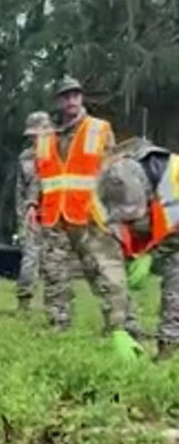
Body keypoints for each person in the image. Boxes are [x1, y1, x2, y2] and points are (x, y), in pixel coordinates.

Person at [34, 77, 143, 353]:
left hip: (90, 216)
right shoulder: (46, 136)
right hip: (54, 217)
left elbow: (116, 174)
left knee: (105, 274)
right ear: (58, 101)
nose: (71, 101)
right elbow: (41, 175)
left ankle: (125, 327)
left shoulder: (99, 129)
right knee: (55, 276)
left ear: (81, 98)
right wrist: (31, 206)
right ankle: (60, 327)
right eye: (65, 96)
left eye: (75, 95)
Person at [96, 138, 177, 361]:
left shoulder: (174, 181)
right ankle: (129, 334)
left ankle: (168, 346)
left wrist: (151, 254)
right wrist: (119, 328)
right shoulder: (106, 186)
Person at [15, 111, 54, 311]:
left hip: (56, 214)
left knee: (54, 261)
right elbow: (20, 191)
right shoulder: (26, 158)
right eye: (32, 135)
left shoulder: (60, 153)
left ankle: (54, 304)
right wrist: (22, 219)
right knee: (31, 258)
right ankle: (24, 301)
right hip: (34, 217)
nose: (34, 138)